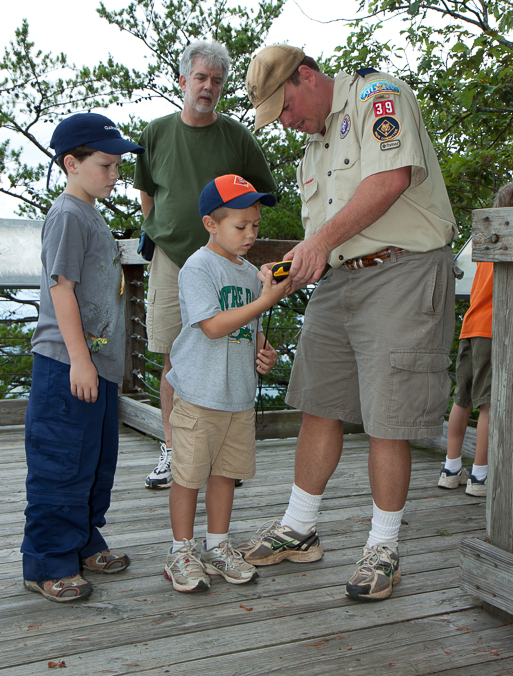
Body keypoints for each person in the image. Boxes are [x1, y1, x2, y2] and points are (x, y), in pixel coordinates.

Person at [239, 44, 458, 602]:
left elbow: (390, 180)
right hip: (340, 280)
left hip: (402, 271)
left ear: (306, 77)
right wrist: (288, 268)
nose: (286, 124)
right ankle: (299, 526)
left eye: (284, 108)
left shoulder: (376, 98)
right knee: (320, 402)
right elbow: (325, 240)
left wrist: (320, 244)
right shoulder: (313, 148)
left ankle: (383, 548)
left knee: (389, 416)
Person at [134, 40, 275, 489]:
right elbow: (147, 194)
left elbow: (259, 193)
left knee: (229, 350)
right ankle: (173, 451)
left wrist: (238, 243)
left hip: (227, 267)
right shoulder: (155, 132)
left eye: (216, 80)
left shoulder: (237, 136)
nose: (208, 87)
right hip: (172, 262)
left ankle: (219, 457)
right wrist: (160, 229)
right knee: (176, 359)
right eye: (200, 77)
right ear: (183, 81)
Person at [22, 113, 145, 602]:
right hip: (67, 365)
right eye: (106, 165)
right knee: (60, 462)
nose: (115, 174)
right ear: (72, 164)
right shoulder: (69, 213)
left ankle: (83, 541)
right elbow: (62, 289)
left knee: (94, 461)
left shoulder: (91, 211)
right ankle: (48, 560)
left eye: (118, 166)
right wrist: (79, 360)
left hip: (98, 368)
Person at [162, 174, 292, 592]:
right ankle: (180, 552)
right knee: (188, 475)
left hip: (238, 396)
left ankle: (217, 546)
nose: (251, 234)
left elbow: (247, 325)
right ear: (210, 224)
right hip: (200, 394)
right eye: (241, 226)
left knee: (225, 475)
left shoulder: (251, 273)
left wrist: (264, 346)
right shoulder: (198, 267)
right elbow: (214, 326)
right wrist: (265, 300)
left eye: (256, 225)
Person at [438, 182, 513, 498]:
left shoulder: (483, 240)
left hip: (471, 325)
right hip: (494, 329)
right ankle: (481, 476)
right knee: (488, 404)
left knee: (462, 399)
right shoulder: (507, 241)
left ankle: (451, 468)